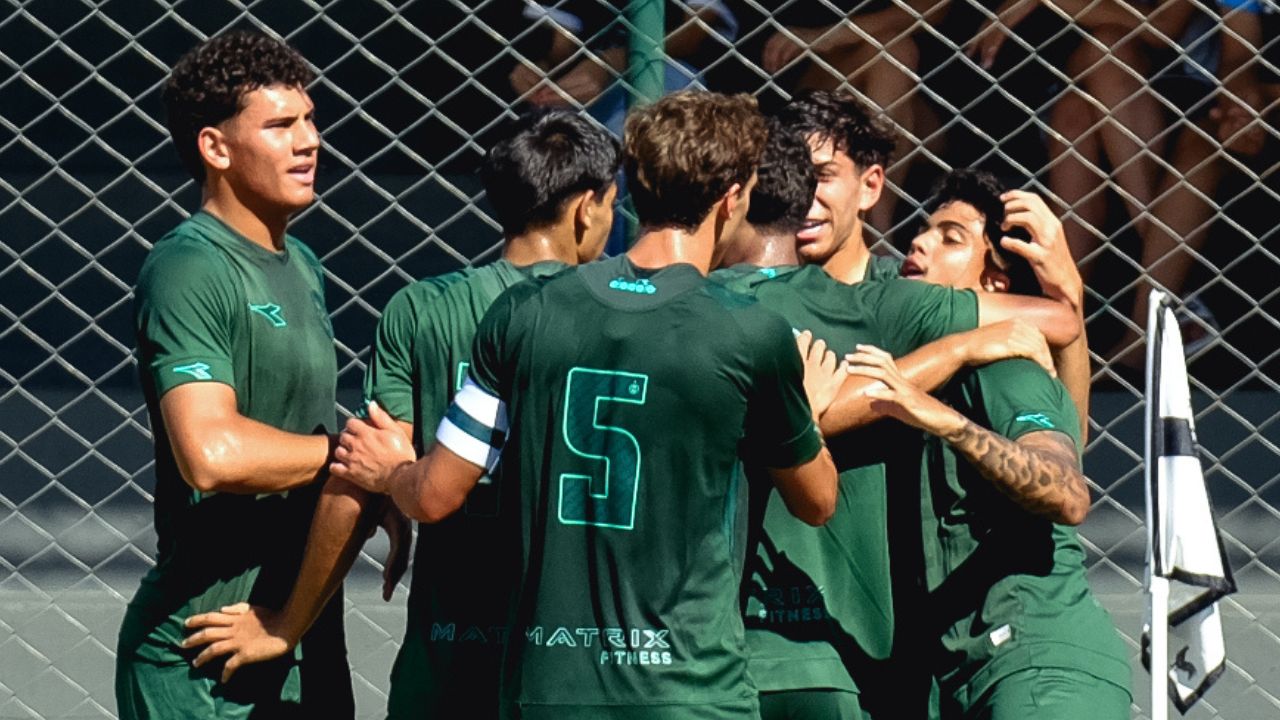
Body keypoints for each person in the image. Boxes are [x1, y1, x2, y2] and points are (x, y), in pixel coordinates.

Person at [181, 109, 620, 718]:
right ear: (589, 207)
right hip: (597, 663)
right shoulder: (636, 320)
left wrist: (287, 624)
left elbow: (359, 472)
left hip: (453, 658)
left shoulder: (424, 310)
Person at [116, 30, 358, 719]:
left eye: (310, 120)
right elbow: (211, 454)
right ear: (215, 148)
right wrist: (355, 465)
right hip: (206, 652)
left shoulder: (305, 265)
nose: (309, 140)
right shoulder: (188, 266)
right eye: (282, 126)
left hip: (299, 632)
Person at [849, 169, 1131, 719]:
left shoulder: (1003, 361)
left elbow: (1068, 492)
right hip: (966, 674)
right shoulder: (942, 349)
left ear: (997, 286)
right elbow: (1073, 427)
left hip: (1039, 664)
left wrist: (942, 419)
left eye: (951, 237)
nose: (920, 241)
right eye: (921, 232)